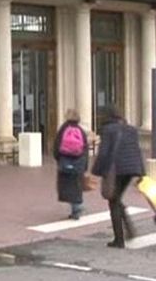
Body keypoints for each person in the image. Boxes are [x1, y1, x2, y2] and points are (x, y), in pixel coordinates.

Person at [92, 106, 144, 249]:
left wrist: (96, 171)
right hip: (131, 169)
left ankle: (119, 239)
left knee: (113, 202)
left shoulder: (108, 130)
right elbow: (137, 151)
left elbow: (103, 153)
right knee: (117, 198)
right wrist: (142, 172)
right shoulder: (131, 129)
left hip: (116, 170)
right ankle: (128, 228)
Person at [53, 109, 88, 220]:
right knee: (77, 186)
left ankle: (76, 208)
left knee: (67, 187)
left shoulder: (63, 129)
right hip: (79, 163)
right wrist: (85, 165)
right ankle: (77, 207)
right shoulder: (80, 130)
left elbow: (56, 147)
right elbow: (85, 148)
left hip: (65, 162)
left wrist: (59, 159)